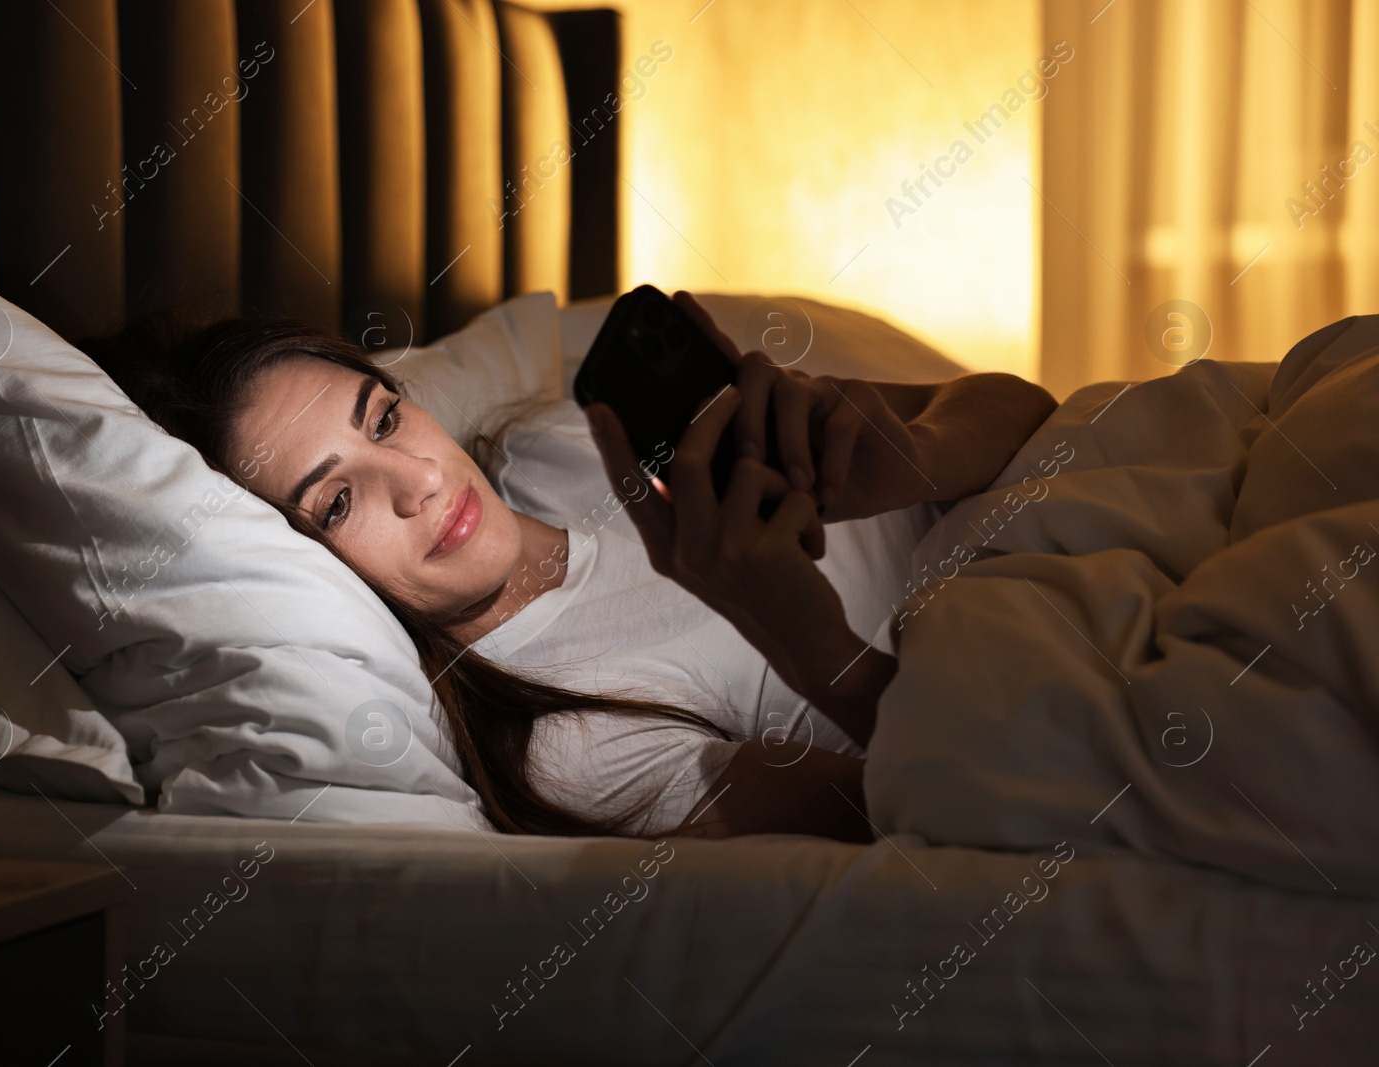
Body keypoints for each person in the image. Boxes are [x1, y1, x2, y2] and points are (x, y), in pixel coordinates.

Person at [82, 292, 1057, 841]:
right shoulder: (564, 739)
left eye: (385, 417)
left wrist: (911, 461)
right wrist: (806, 640)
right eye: (336, 501)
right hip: (1060, 679)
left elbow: (1018, 403)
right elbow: (993, 802)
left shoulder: (572, 437)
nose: (418, 480)